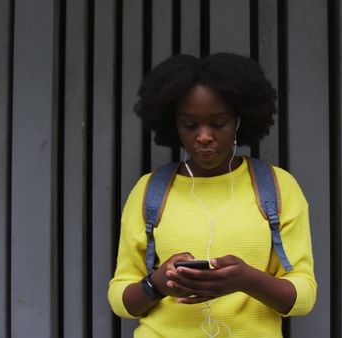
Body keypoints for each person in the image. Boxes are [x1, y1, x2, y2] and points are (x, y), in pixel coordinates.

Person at [108, 52, 316, 337]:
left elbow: (303, 295)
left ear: (239, 120)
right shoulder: (150, 190)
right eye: (190, 125)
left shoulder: (276, 188)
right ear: (174, 123)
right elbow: (120, 298)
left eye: (218, 124)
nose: (204, 136)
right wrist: (156, 284)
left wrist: (246, 280)